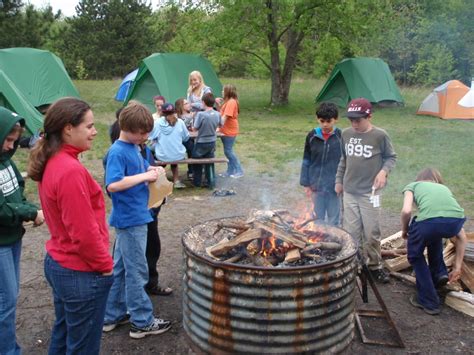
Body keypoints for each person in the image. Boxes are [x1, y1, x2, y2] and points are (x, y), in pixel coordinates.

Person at [27, 98, 113, 354]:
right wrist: (106, 267)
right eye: (89, 126)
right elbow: (84, 233)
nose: (95, 131)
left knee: (64, 336)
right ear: (68, 129)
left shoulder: (53, 161)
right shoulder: (69, 171)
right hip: (80, 271)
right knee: (83, 347)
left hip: (60, 263)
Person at [103, 101, 171, 339]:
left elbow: (142, 170)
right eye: (142, 134)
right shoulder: (118, 151)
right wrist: (144, 175)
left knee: (121, 268)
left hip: (137, 216)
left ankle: (112, 315)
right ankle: (141, 321)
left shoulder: (134, 147)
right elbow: (113, 184)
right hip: (130, 220)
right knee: (137, 271)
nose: (145, 138)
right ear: (127, 128)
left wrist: (154, 171)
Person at [335, 98, 397, 283]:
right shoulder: (345, 134)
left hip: (370, 193)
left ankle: (375, 266)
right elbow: (343, 160)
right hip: (350, 192)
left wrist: (383, 172)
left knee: (371, 233)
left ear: (369, 116)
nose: (354, 123)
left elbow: (391, 158)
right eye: (351, 120)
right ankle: (353, 266)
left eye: (358, 120)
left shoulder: (380, 136)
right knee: (350, 233)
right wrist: (339, 180)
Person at [0, 107, 44, 355]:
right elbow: (2, 210)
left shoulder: (6, 163)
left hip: (13, 238)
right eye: (7, 139)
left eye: (14, 140)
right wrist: (30, 213)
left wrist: (30, 207)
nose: (10, 146)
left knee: (11, 296)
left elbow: (18, 190)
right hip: (1, 243)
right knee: (5, 301)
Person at [401, 168, 467, 315]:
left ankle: (429, 301)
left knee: (415, 256)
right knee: (434, 233)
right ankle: (439, 274)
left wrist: (405, 230)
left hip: (428, 224)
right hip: (455, 221)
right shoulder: (444, 188)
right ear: (437, 180)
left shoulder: (413, 186)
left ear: (419, 179)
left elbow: (406, 211)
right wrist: (457, 267)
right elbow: (462, 238)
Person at [300, 102, 342, 226]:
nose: (325, 124)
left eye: (329, 121)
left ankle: (334, 243)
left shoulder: (340, 137)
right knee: (317, 219)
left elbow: (345, 162)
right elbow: (306, 159)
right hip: (316, 186)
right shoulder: (312, 136)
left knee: (333, 219)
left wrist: (341, 182)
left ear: (336, 119)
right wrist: (306, 184)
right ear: (317, 119)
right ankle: (319, 243)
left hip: (334, 186)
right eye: (322, 120)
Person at [149, 103, 190, 188]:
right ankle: (176, 180)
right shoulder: (180, 122)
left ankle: (159, 179)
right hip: (178, 155)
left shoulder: (157, 123)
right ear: (174, 111)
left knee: (154, 150)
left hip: (162, 155)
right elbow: (186, 137)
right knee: (173, 152)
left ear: (162, 113)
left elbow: (151, 137)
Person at [192, 93, 222, 187]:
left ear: (203, 102)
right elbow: (221, 125)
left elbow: (195, 128)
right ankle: (211, 182)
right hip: (212, 141)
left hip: (201, 142)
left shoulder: (201, 114)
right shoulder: (217, 114)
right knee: (209, 161)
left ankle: (197, 182)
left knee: (196, 161)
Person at [218, 84, 244, 179]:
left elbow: (225, 117)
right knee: (227, 151)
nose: (222, 92)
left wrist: (217, 128)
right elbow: (221, 114)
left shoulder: (231, 102)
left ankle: (239, 170)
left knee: (228, 151)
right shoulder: (227, 102)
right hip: (225, 130)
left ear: (228, 91)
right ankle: (230, 171)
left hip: (229, 130)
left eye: (223, 90)